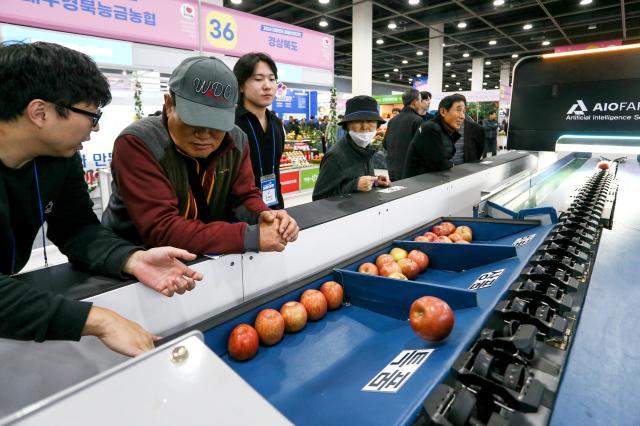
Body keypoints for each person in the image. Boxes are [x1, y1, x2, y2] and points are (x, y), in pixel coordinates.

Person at [0, 41, 204, 357]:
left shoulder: (58, 157)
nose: (96, 128)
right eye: (91, 115)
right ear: (40, 112)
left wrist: (132, 259)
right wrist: (99, 321)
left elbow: (78, 229)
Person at [102, 56, 298, 255]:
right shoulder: (138, 143)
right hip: (134, 262)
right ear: (169, 104)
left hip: (201, 255)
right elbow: (161, 227)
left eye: (216, 124)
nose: (204, 135)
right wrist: (249, 236)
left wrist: (263, 214)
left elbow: (243, 196)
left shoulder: (237, 139)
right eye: (193, 121)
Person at [233, 52, 286, 210]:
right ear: (241, 85)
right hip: (238, 215)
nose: (267, 86)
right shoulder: (231, 123)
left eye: (271, 79)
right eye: (258, 79)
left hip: (274, 208)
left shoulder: (276, 123)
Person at [313, 96, 390, 200]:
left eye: (371, 121)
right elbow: (319, 197)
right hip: (344, 213)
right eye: (358, 121)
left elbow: (361, 178)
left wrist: (375, 181)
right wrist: (354, 185)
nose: (364, 126)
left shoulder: (365, 148)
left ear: (377, 125)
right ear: (347, 125)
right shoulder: (335, 156)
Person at [403, 94, 466, 178]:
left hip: (427, 182)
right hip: (419, 185)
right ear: (443, 111)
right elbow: (439, 164)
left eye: (464, 112)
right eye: (458, 110)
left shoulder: (443, 130)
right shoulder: (430, 129)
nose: (462, 116)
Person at [382, 88, 423, 181]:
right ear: (415, 102)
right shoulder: (417, 120)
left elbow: (385, 144)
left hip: (392, 168)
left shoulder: (392, 121)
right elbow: (421, 146)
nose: (421, 104)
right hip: (409, 170)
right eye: (420, 101)